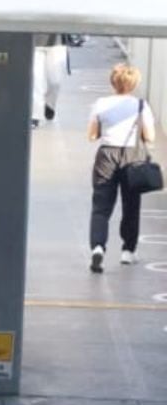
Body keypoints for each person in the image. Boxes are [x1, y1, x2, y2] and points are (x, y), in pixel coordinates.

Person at [87, 63, 158, 272]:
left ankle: (98, 247)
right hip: (131, 156)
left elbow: (91, 135)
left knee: (101, 206)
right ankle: (128, 251)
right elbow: (151, 137)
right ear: (134, 83)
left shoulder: (100, 104)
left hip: (107, 154)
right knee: (131, 204)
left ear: (113, 82)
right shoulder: (140, 106)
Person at [32, 34, 68, 127]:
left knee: (55, 81)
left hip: (57, 41)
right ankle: (35, 115)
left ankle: (49, 104)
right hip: (34, 41)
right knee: (36, 79)